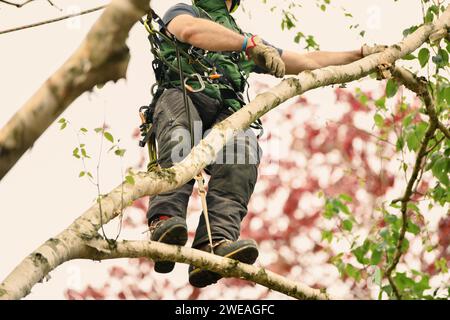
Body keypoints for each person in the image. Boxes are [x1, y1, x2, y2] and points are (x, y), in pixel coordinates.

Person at [146, 0, 384, 288]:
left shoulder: (245, 44)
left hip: (226, 109)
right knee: (179, 138)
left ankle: (214, 242)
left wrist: (360, 55)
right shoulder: (187, 12)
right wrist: (247, 44)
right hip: (184, 92)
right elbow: (190, 31)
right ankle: (164, 220)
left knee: (242, 156)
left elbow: (310, 61)